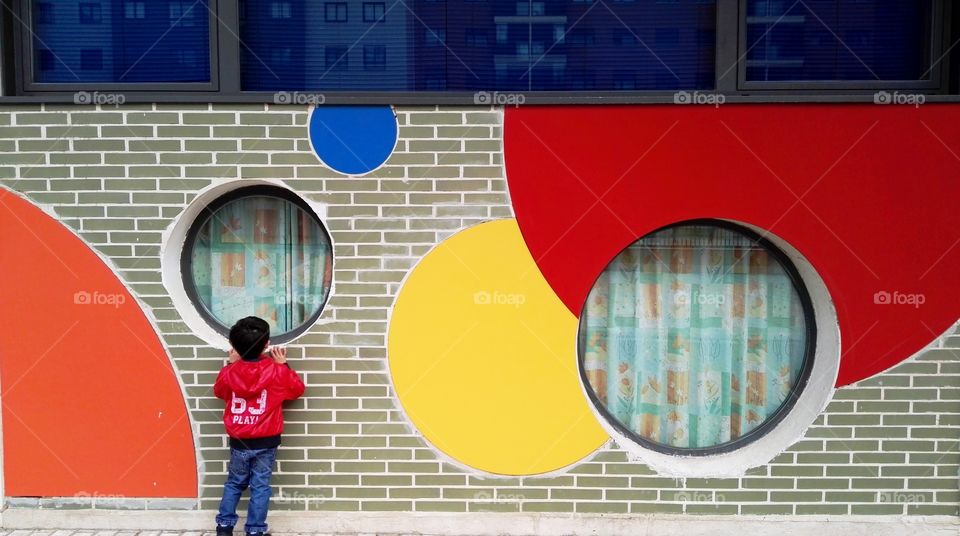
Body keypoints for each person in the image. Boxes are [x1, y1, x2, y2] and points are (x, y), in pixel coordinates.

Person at [213, 316, 305, 536]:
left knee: (234, 483)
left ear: (233, 347)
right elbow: (297, 390)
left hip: (239, 441)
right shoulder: (276, 372)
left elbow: (219, 392)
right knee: (260, 486)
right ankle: (255, 530)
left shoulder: (229, 372)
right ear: (266, 345)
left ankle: (224, 527)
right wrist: (284, 365)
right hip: (266, 441)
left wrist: (232, 364)